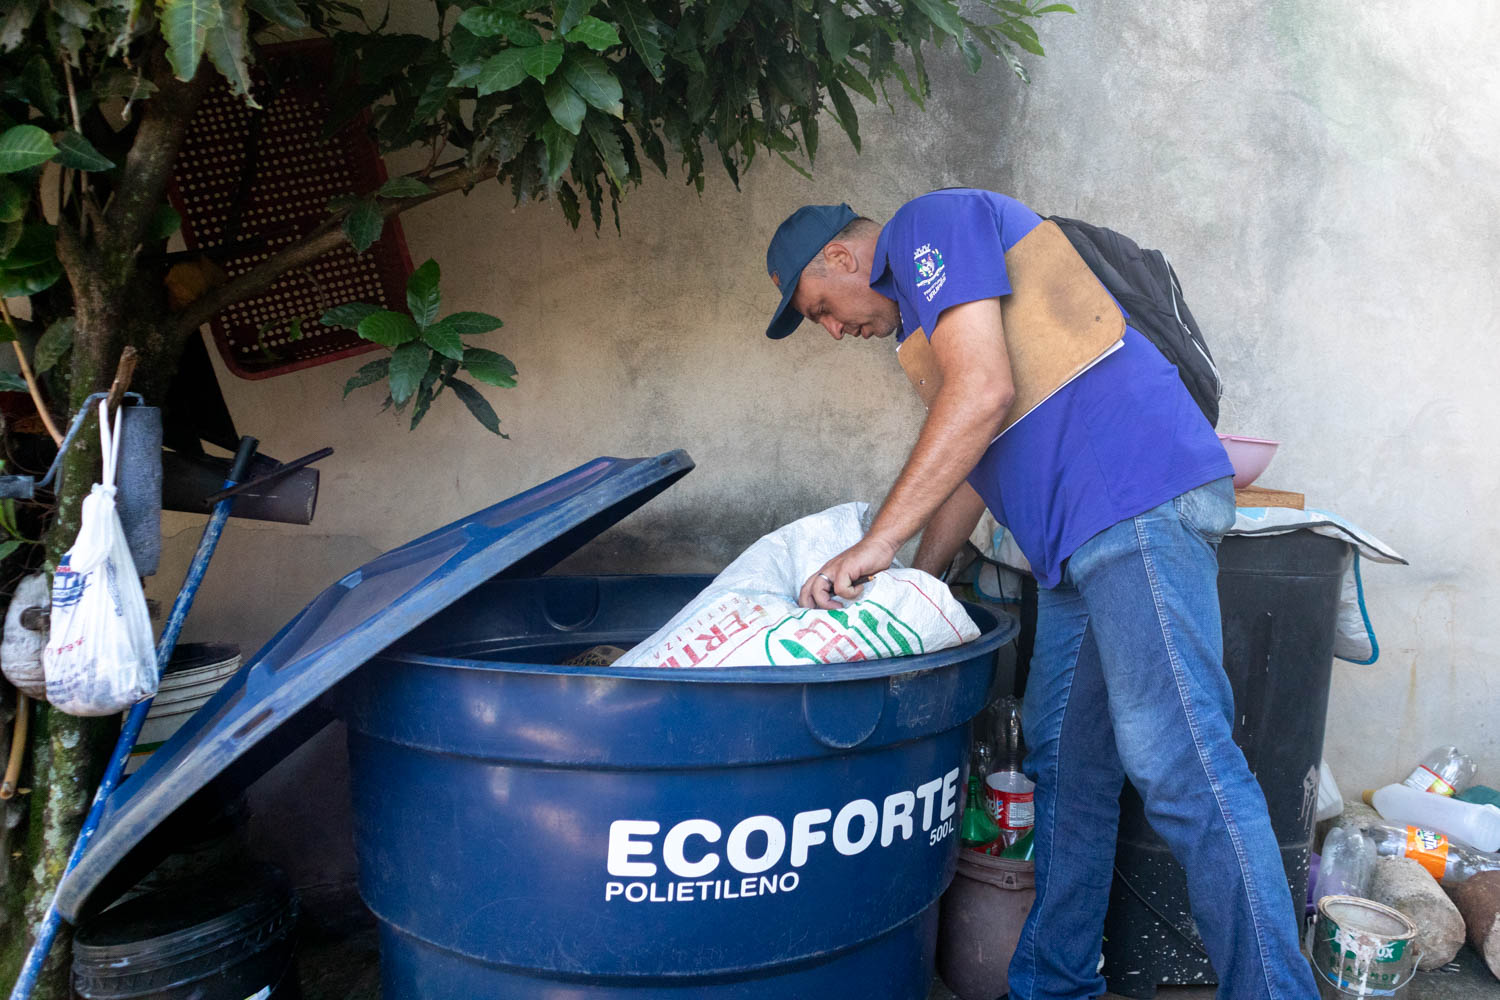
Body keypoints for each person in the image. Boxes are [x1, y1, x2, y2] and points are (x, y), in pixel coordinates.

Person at [762, 191, 1316, 1000]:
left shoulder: (930, 225)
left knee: (1181, 768)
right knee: (1068, 770)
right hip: (1075, 547)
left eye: (821, 311)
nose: (835, 330)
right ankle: (1051, 985)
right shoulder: (928, 328)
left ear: (843, 260)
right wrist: (915, 579)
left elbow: (980, 394)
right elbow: (972, 459)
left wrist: (875, 541)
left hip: (1133, 503)